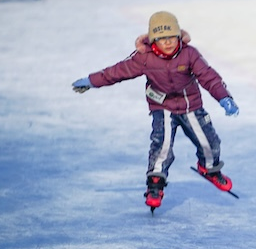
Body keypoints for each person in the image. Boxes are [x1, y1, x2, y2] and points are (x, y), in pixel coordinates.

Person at [71, 11, 239, 212]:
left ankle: (209, 168)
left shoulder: (189, 53)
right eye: (161, 39)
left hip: (190, 105)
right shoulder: (144, 58)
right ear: (153, 40)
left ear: (178, 37)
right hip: (163, 107)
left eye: (171, 38)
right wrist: (92, 81)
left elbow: (208, 77)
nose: (167, 43)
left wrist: (224, 97)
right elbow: (116, 72)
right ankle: (155, 184)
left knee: (209, 142)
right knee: (162, 146)